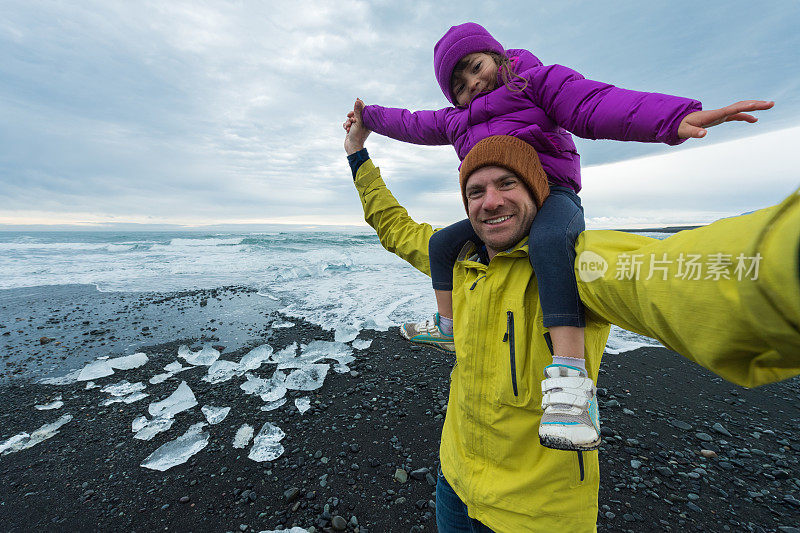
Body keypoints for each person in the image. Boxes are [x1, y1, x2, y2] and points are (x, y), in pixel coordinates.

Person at [343, 108, 800, 531]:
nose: (490, 202)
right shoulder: (461, 265)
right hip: (455, 486)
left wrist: (782, 265)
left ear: (536, 192)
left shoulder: (578, 264)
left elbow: (670, 272)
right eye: (475, 192)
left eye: (507, 184)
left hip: (537, 514)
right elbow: (394, 226)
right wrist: (357, 154)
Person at [343, 21, 774, 452]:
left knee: (550, 243)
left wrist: (672, 117)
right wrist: (367, 124)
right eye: (458, 84)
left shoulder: (537, 84)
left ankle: (570, 378)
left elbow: (593, 103)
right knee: (439, 244)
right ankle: (447, 325)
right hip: (463, 453)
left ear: (496, 55)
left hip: (556, 198)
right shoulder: (458, 125)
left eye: (475, 67)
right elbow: (412, 124)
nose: (472, 84)